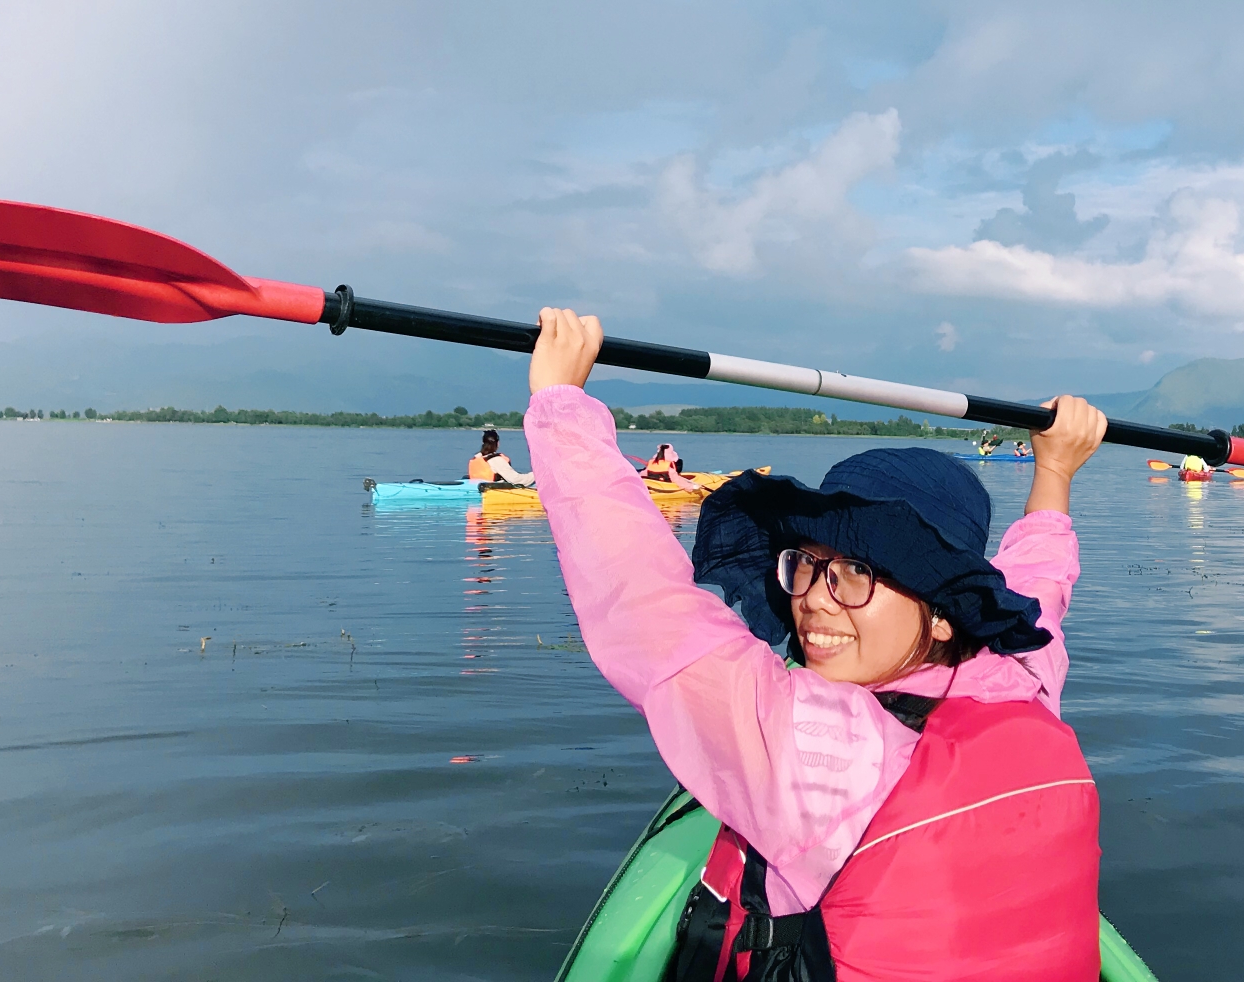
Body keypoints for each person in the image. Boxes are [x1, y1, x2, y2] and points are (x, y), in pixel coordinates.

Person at [524, 307, 1108, 981]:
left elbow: (647, 607)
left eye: (858, 572)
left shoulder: (815, 751)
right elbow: (1042, 582)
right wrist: (1055, 471)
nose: (813, 598)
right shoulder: (1022, 673)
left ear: (947, 613)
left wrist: (561, 403)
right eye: (806, 563)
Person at [467, 427, 533, 488]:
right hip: (494, 492)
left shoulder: (477, 458)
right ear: (497, 443)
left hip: (478, 490)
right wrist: (536, 475)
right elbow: (516, 480)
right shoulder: (496, 460)